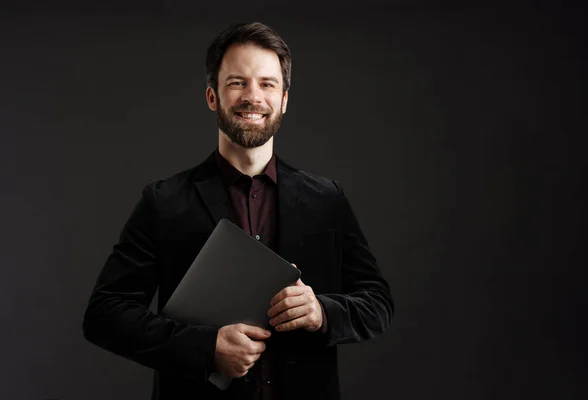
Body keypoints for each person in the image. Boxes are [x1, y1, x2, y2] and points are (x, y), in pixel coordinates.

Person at [82, 21, 394, 400]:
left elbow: (377, 303)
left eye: (267, 83)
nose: (253, 97)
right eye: (237, 83)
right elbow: (104, 314)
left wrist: (322, 312)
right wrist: (206, 348)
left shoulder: (326, 198)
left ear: (284, 100)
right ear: (213, 96)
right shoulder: (163, 202)